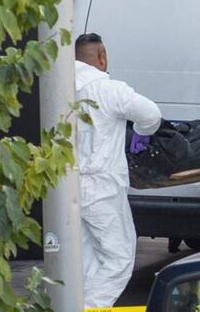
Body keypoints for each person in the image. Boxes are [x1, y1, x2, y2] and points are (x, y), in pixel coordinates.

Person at [74, 33, 162, 308]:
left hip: (69, 186)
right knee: (119, 258)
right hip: (102, 184)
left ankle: (78, 304)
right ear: (102, 57)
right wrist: (141, 133)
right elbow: (151, 115)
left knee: (87, 259)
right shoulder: (109, 89)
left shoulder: (60, 88)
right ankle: (91, 307)